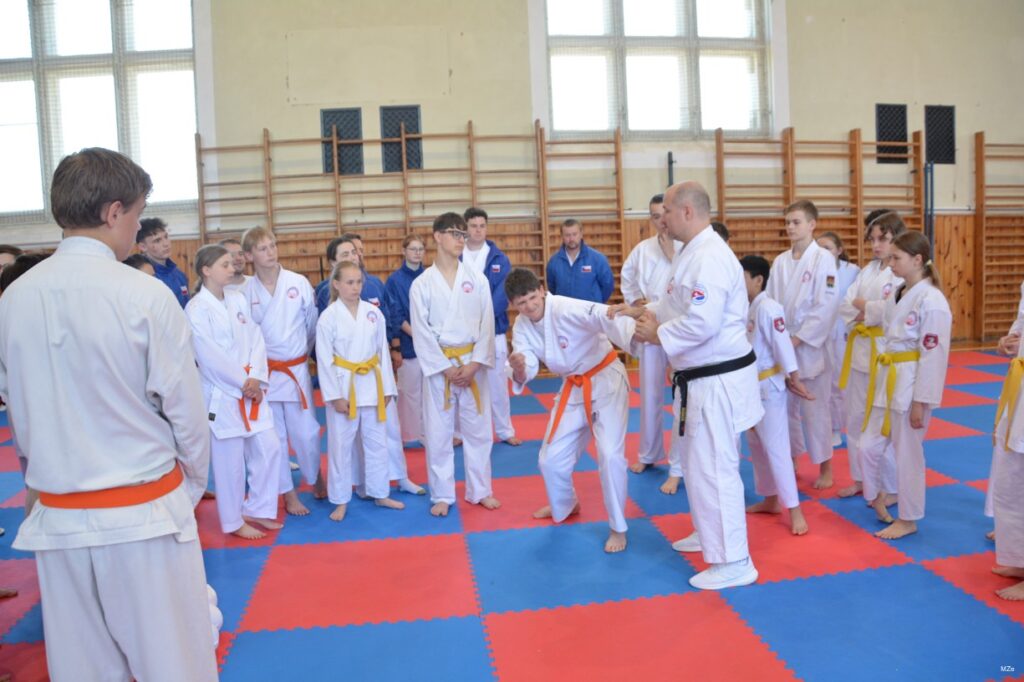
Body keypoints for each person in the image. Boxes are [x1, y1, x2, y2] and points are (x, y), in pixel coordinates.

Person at [0, 147, 217, 681]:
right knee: (175, 667)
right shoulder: (144, 294)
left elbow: (17, 410)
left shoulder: (14, 298)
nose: (138, 229)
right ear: (114, 211)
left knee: (85, 672)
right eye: (138, 215)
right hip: (144, 516)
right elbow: (186, 412)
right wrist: (189, 489)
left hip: (58, 519)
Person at [616, 181, 762, 590]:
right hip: (697, 378)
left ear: (686, 211)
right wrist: (642, 313)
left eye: (666, 210)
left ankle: (735, 561)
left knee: (715, 468)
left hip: (716, 379)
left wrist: (657, 334)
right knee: (698, 465)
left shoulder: (711, 257)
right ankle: (708, 533)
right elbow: (673, 304)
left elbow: (702, 323)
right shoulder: (690, 252)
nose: (661, 218)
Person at [505, 268, 637, 552]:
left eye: (532, 298)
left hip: (606, 380)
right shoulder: (522, 326)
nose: (529, 306)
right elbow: (526, 364)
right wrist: (519, 369)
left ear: (542, 290)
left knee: (610, 455)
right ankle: (566, 504)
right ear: (513, 305)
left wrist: (636, 336)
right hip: (574, 386)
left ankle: (618, 527)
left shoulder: (566, 307)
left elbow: (603, 315)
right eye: (521, 303)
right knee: (549, 460)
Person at [186, 244, 283, 540]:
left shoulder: (237, 299)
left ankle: (258, 508)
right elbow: (208, 355)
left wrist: (256, 377)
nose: (232, 268)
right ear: (206, 270)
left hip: (250, 388)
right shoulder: (196, 309)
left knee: (269, 447)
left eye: (232, 263)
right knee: (230, 464)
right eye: (225, 265)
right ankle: (233, 521)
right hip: (223, 393)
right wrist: (243, 382)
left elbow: (256, 338)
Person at [859, 231, 951, 539]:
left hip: (912, 385)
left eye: (896, 258)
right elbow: (879, 316)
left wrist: (921, 402)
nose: (890, 263)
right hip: (888, 377)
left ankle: (908, 518)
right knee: (868, 446)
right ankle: (879, 494)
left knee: (908, 455)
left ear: (917, 260)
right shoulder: (899, 291)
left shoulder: (932, 300)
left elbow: (934, 356)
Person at [410, 212, 500, 517]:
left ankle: (481, 490)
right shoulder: (422, 284)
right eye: (455, 233)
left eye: (464, 234)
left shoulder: (477, 279)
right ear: (437, 236)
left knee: (479, 432)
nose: (462, 239)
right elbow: (421, 331)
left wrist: (474, 364)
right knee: (438, 434)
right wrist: (446, 368)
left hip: (472, 365)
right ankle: (442, 494)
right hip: (440, 369)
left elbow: (487, 325)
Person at [331, 237, 424, 495]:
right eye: (346, 253)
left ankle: (399, 477)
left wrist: (395, 348)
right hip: (346, 376)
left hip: (376, 371)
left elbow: (390, 317)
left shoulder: (373, 284)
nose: (354, 256)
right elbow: (321, 342)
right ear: (333, 262)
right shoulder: (327, 294)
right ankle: (361, 482)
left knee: (389, 427)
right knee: (352, 436)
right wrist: (336, 381)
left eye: (356, 252)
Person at [243, 226, 325, 515]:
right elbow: (246, 337)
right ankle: (288, 494)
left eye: (273, 245)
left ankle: (315, 475)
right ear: (249, 255)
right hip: (265, 376)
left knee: (307, 433)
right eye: (262, 248)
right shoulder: (245, 291)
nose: (270, 252)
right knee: (274, 439)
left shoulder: (298, 283)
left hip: (296, 370)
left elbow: (311, 326)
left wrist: (300, 354)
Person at [317, 260, 405, 521]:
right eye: (349, 282)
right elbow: (324, 359)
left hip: (372, 384)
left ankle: (380, 492)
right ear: (336, 284)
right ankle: (340, 499)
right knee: (341, 447)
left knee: (377, 443)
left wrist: (387, 387)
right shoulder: (328, 317)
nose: (355, 287)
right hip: (345, 387)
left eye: (358, 282)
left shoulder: (373, 313)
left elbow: (382, 353)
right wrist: (334, 396)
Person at [766, 200, 840, 490]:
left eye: (796, 222)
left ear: (812, 224)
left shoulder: (823, 259)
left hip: (810, 345)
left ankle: (826, 467)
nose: (790, 227)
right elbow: (770, 302)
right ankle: (792, 459)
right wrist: (777, 338)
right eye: (787, 222)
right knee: (785, 410)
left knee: (815, 409)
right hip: (783, 344)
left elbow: (827, 304)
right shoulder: (781, 261)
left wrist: (797, 339)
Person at [739, 255, 813, 535]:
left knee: (777, 447)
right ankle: (770, 499)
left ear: (758, 280)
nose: (738, 282)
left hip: (769, 387)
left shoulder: (770, 308)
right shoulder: (747, 308)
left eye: (743, 277)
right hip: (749, 387)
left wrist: (794, 377)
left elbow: (782, 345)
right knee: (757, 446)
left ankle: (795, 510)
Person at [835, 211, 906, 499]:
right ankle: (861, 479)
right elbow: (845, 303)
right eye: (873, 239)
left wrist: (866, 307)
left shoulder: (900, 275)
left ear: (897, 239)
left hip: (883, 354)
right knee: (854, 418)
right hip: (859, 352)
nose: (876, 245)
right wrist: (866, 308)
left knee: (880, 424)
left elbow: (891, 310)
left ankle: (890, 487)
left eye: (883, 239)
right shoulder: (867, 271)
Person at [620, 194, 683, 493]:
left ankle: (679, 464)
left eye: (664, 214)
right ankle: (648, 454)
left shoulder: (686, 247)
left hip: (681, 326)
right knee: (649, 395)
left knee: (683, 398)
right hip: (649, 322)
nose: (661, 221)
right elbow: (628, 279)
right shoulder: (642, 250)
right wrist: (636, 304)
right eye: (655, 216)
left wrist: (672, 252)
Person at [463, 207, 520, 446]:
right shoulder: (457, 256)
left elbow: (502, 294)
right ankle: (464, 433)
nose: (478, 230)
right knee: (467, 385)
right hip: (464, 333)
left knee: (497, 384)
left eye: (482, 226)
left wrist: (483, 319)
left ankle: (505, 430)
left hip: (493, 329)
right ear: (466, 228)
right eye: (473, 226)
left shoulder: (498, 258)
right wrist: (468, 320)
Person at [991, 279, 1024, 600]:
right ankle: (1019, 559)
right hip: (1020, 385)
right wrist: (1010, 340)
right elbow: (1021, 323)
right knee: (1011, 475)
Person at [818, 231, 861, 447]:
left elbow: (856, 301)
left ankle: (837, 428)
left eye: (827, 248)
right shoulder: (812, 270)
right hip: (818, 332)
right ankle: (823, 428)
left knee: (839, 383)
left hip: (844, 332)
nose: (822, 252)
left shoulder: (853, 272)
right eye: (819, 248)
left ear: (839, 251)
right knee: (820, 383)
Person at [386, 234, 427, 444]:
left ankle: (427, 433)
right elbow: (396, 314)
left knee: (430, 394)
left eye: (420, 249)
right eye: (413, 249)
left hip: (430, 345)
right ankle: (405, 435)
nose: (417, 253)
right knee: (408, 393)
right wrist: (417, 334)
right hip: (409, 343)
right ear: (404, 251)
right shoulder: (394, 280)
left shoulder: (430, 277)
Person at [546, 219, 614, 303]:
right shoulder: (553, 262)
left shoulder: (598, 259)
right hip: (565, 310)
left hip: (590, 310)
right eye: (567, 235)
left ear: (581, 234)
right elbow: (552, 288)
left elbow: (607, 286)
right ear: (562, 236)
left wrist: (596, 304)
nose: (571, 239)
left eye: (574, 234)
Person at [136, 217, 190, 307]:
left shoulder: (179, 274)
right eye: (157, 241)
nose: (166, 244)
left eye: (166, 237)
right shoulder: (143, 278)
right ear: (143, 247)